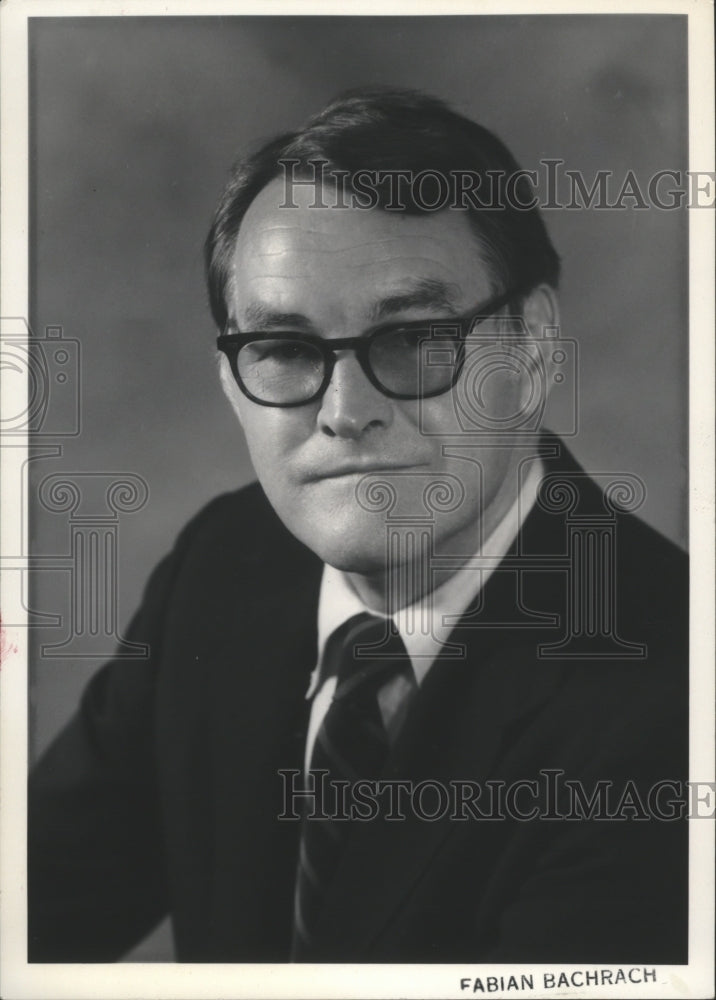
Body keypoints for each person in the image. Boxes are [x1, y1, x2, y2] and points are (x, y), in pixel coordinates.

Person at [28, 87, 688, 964]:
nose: (345, 412)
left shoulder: (672, 698)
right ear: (233, 380)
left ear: (531, 348)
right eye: (287, 349)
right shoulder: (225, 566)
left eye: (416, 338)